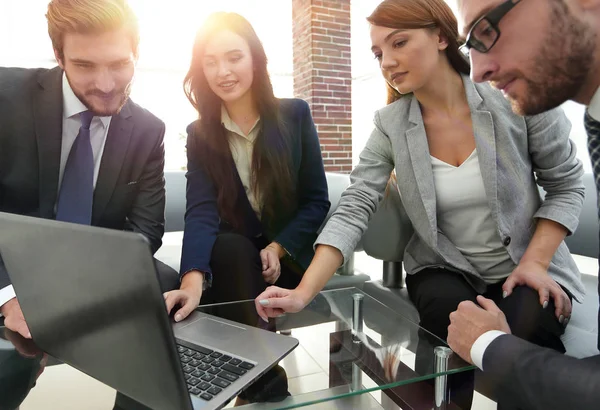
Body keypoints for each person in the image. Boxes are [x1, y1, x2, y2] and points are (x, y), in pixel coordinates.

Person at [255, 0, 585, 407]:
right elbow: (356, 204)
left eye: (399, 43)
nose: (387, 62)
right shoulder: (391, 125)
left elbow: (567, 183)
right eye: (378, 53)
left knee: (525, 329)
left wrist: (535, 263)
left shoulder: (508, 95)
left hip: (525, 262)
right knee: (446, 318)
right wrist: (303, 292)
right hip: (443, 266)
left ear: (442, 36)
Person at [444, 0, 600, 409]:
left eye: (486, 30)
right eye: (470, 47)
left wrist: (491, 346)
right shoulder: (596, 119)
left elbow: (566, 184)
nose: (478, 71)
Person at [0, 0, 179, 340]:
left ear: (136, 52)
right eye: (84, 65)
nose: (107, 84)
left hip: (94, 272)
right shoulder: (5, 99)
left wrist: (93, 288)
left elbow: (146, 229)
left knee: (166, 283)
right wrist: (8, 295)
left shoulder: (148, 130)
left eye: (119, 64)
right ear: (58, 55)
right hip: (12, 270)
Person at [163, 12, 329, 324]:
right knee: (230, 249)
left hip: (288, 258)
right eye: (210, 62)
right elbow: (201, 210)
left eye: (234, 58)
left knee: (238, 262)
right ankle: (258, 368)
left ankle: (253, 368)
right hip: (233, 259)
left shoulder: (295, 116)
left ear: (255, 59)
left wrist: (278, 248)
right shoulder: (200, 133)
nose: (221, 72)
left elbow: (316, 202)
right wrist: (192, 279)